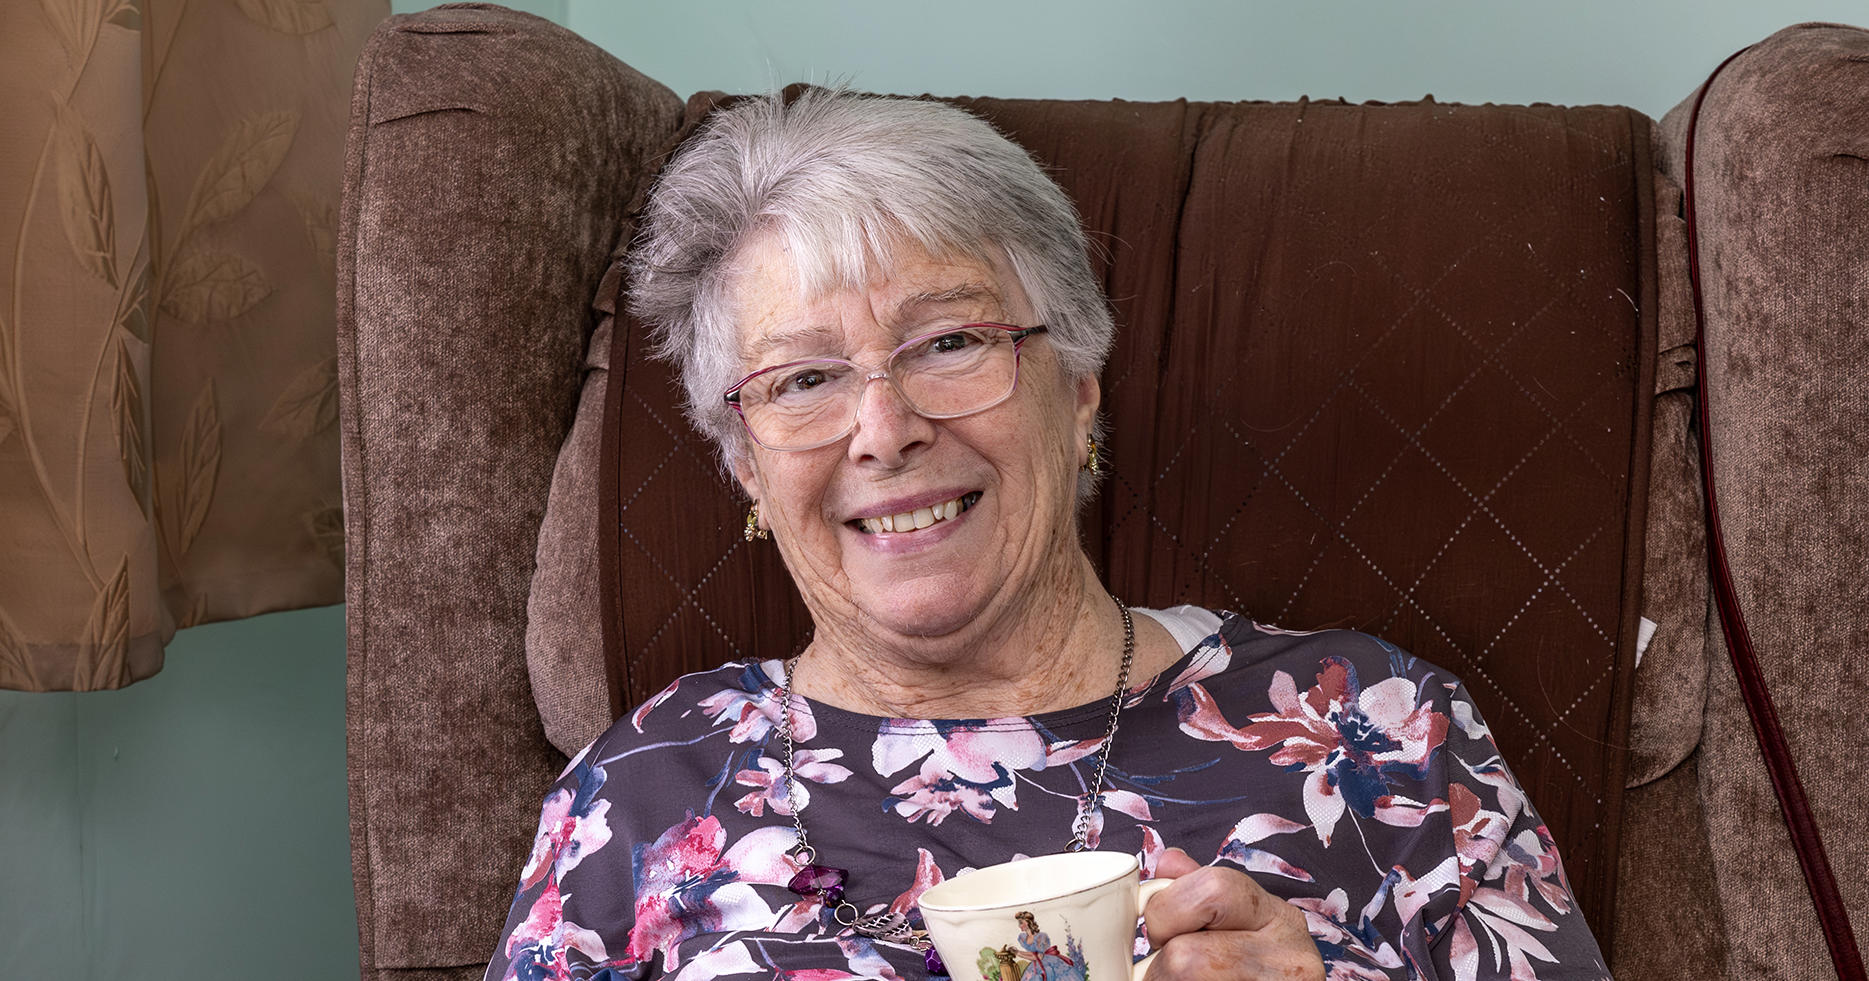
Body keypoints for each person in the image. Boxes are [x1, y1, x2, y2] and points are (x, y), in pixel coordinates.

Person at [484, 88, 1611, 981]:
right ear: (744, 463)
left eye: (947, 344)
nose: (885, 430)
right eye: (806, 378)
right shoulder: (642, 788)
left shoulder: (1375, 728)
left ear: (1077, 387)